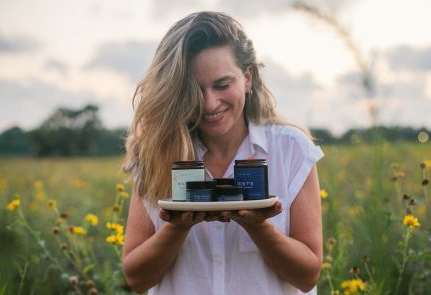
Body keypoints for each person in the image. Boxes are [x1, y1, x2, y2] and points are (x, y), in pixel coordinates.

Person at [122, 11, 324, 295]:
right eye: (193, 90)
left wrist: (258, 227)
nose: (209, 103)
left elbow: (307, 276)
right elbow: (136, 279)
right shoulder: (155, 154)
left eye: (222, 84)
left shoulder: (291, 150)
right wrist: (177, 228)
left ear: (248, 78)